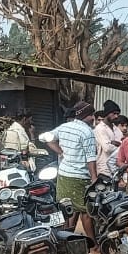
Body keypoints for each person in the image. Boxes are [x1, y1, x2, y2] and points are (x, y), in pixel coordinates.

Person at [46, 102, 99, 242]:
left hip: (63, 176)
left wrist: (60, 152)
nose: (93, 118)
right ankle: (93, 245)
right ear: (85, 115)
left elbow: (46, 138)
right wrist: (94, 178)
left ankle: (65, 241)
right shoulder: (87, 132)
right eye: (91, 115)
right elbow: (90, 158)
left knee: (67, 209)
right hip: (79, 177)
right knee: (85, 212)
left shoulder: (64, 127)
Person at [94, 100, 124, 177]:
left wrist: (117, 143)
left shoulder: (116, 129)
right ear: (107, 113)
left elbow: (123, 143)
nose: (116, 116)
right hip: (104, 169)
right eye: (114, 113)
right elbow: (107, 148)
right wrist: (121, 146)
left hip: (117, 167)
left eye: (117, 114)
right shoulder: (100, 128)